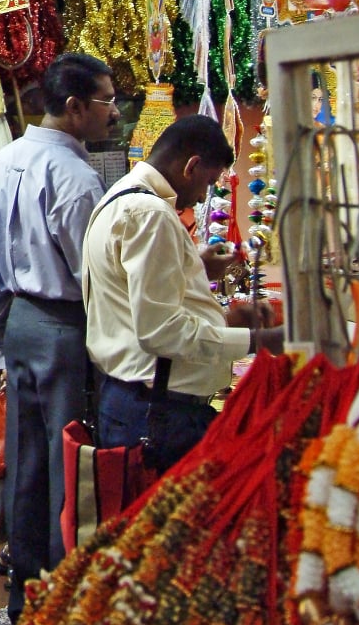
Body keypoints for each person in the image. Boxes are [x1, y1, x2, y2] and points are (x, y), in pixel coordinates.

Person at [0, 52, 120, 620]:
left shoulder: (3, 161)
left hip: (19, 323)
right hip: (64, 324)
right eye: (108, 102)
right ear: (76, 106)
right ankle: (62, 600)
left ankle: (24, 597)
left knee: (29, 464)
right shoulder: (77, 178)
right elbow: (94, 279)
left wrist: (1, 337)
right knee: (69, 463)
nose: (114, 114)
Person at [81, 114, 284, 477]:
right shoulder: (150, 213)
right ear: (191, 166)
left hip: (135, 401)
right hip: (158, 411)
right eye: (208, 182)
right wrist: (254, 341)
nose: (204, 195)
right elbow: (161, 331)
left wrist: (194, 271)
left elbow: (133, 297)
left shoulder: (119, 196)